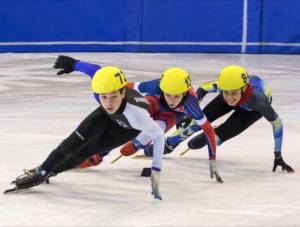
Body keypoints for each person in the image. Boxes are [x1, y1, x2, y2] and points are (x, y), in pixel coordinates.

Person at [53, 55, 222, 183]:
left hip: (171, 116)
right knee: (131, 117)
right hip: (152, 103)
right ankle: (99, 155)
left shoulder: (192, 105)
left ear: (185, 93)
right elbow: (118, 84)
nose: (172, 100)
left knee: (157, 127)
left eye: (177, 96)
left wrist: (212, 159)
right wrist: (76, 65)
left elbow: (207, 129)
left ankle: (138, 144)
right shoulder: (154, 86)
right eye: (168, 94)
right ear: (161, 88)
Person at [12, 66, 165, 200]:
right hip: (106, 116)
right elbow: (94, 70)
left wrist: (156, 170)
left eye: (114, 96)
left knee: (87, 150)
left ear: (123, 93)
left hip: (126, 130)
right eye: (103, 97)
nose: (109, 103)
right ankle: (43, 170)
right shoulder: (103, 95)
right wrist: (74, 64)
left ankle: (53, 171)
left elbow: (159, 136)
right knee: (73, 142)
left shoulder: (138, 116)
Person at [161, 65, 294, 173]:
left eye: (233, 93)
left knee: (200, 143)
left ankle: (215, 132)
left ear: (243, 89)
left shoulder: (258, 101)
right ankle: (170, 144)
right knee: (194, 124)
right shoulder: (228, 89)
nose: (230, 97)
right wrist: (189, 114)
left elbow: (277, 124)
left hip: (250, 110)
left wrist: (278, 155)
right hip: (237, 97)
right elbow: (202, 89)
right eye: (226, 92)